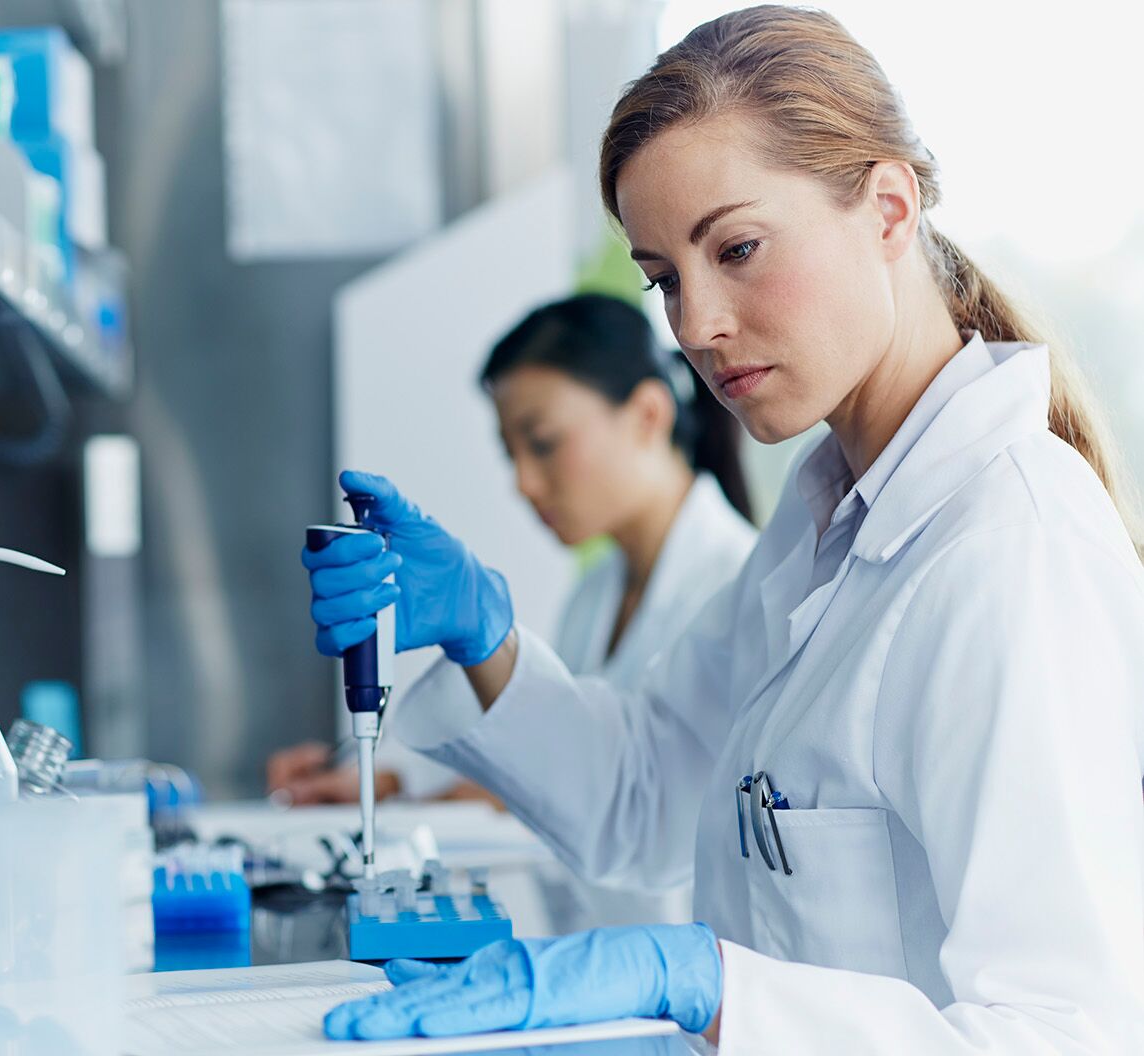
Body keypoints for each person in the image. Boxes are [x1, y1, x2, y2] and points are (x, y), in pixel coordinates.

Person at [301, 6, 1144, 1051]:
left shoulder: (1010, 550)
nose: (694, 325)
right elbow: (645, 794)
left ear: (887, 209)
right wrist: (487, 636)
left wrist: (707, 984)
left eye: (736, 248)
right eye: (663, 278)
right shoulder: (824, 517)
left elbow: (1068, 1031)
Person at [270, 295, 756, 854]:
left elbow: (653, 808)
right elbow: (574, 773)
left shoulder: (734, 582)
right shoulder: (596, 594)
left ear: (649, 415)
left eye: (543, 444)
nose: (523, 483)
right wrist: (385, 780)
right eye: (512, 455)